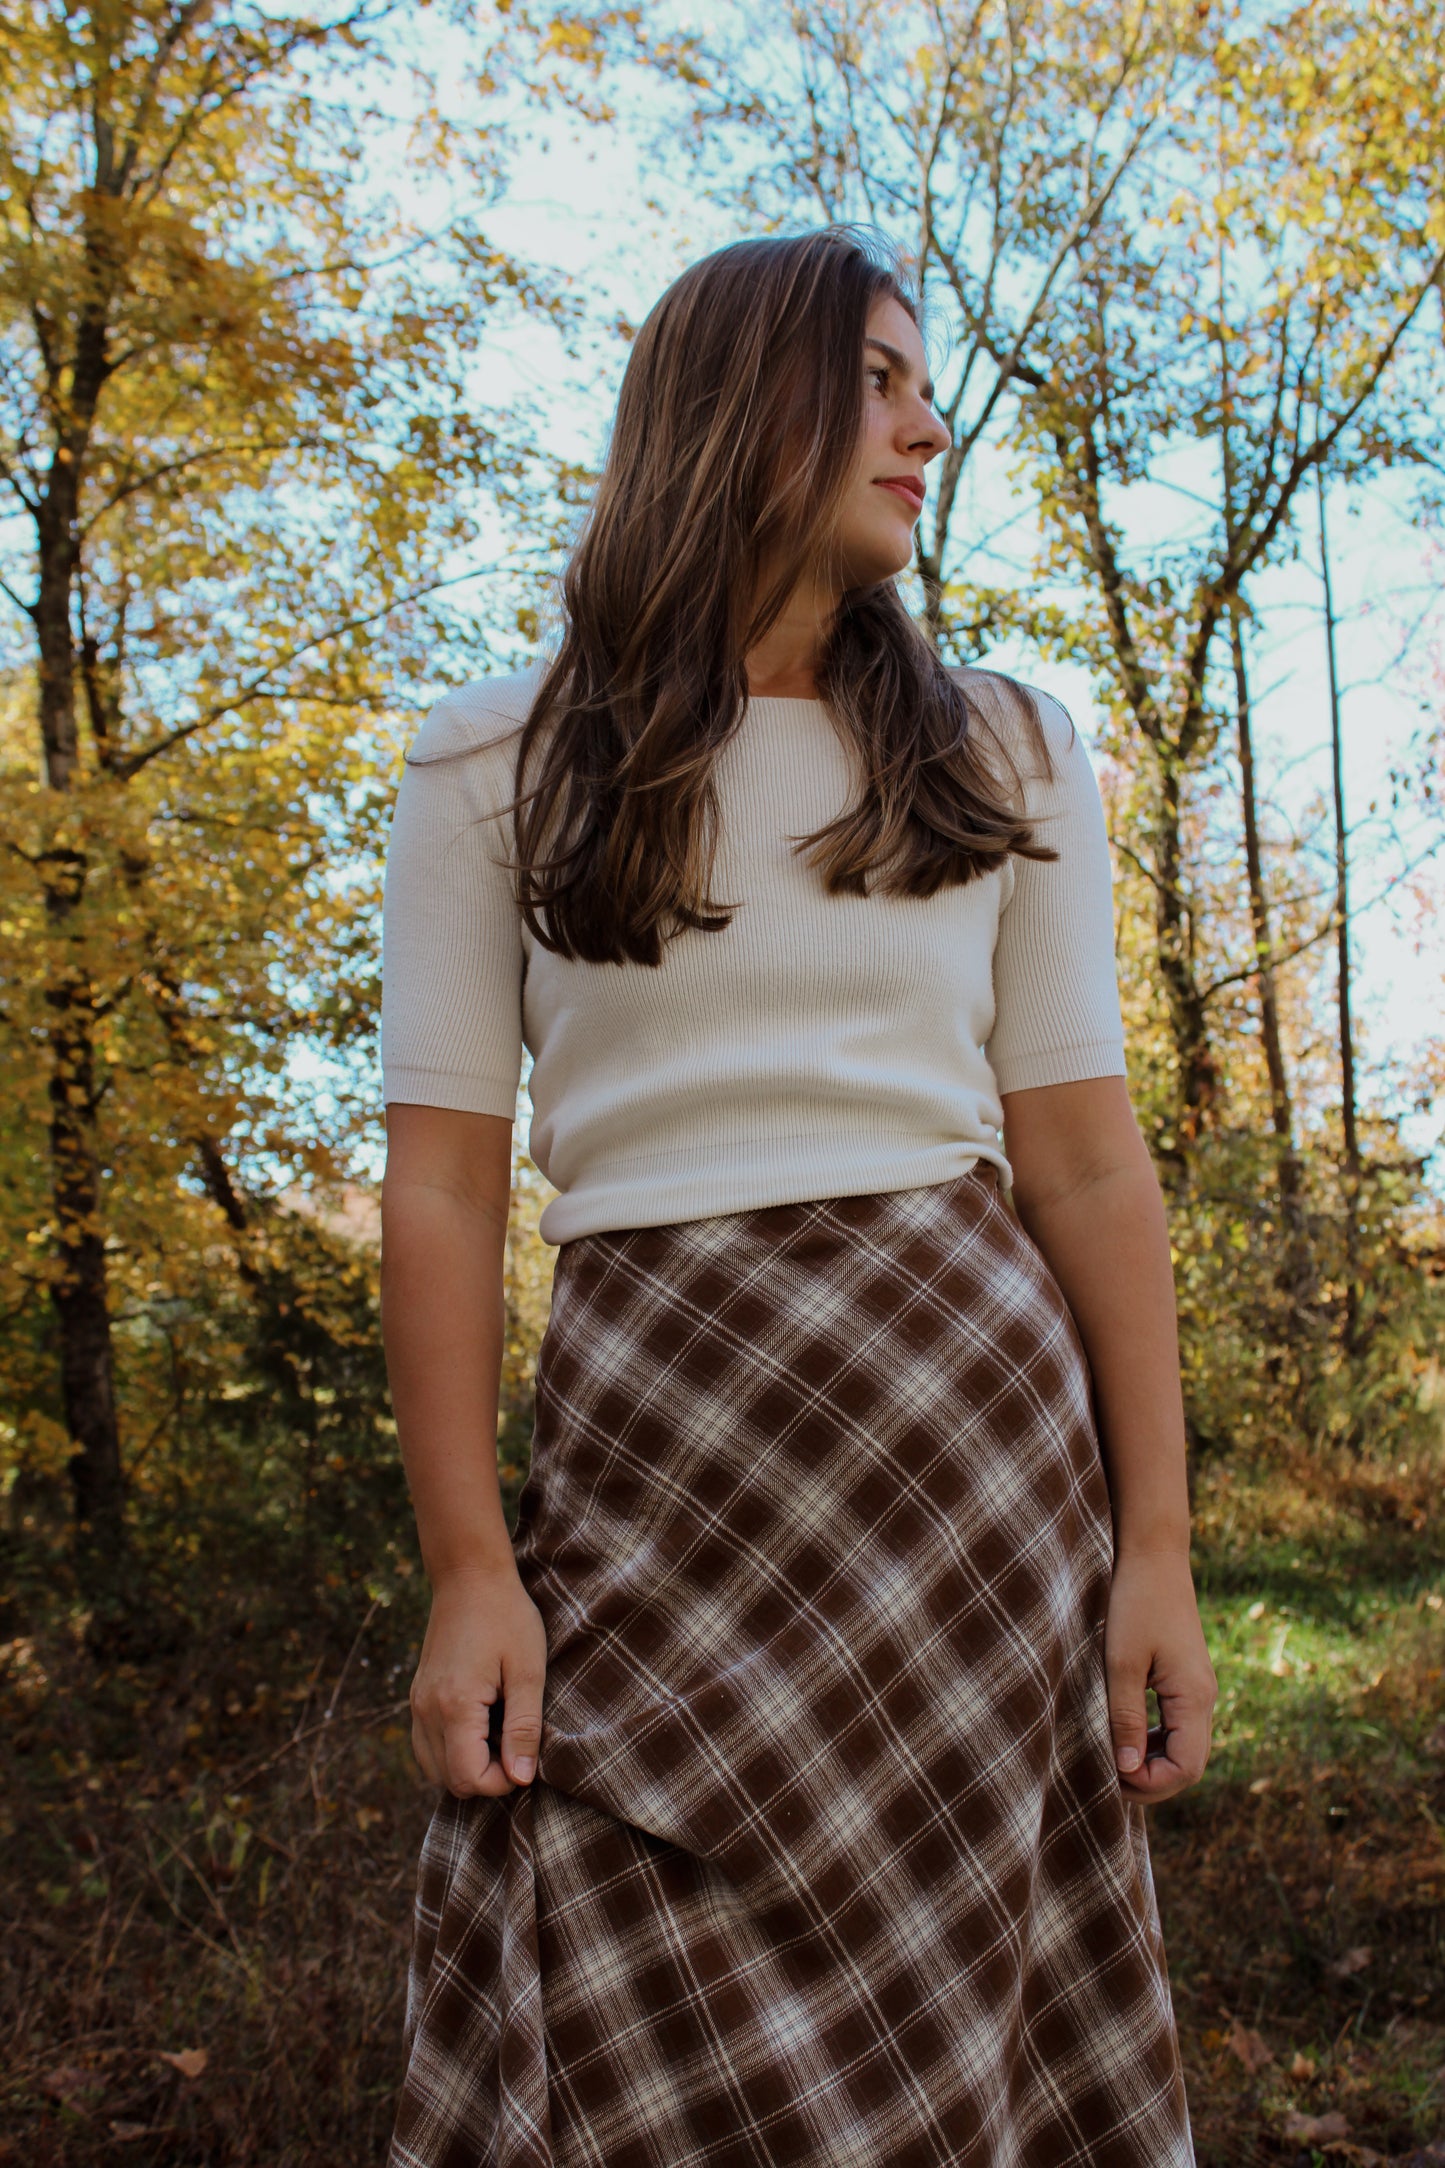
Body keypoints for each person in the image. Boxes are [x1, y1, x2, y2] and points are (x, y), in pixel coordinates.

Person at [378, 225, 1216, 2168]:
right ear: (733, 394)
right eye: (880, 379)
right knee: (616, 2001)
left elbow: (1088, 1160)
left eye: (926, 387)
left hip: (974, 1498)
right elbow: (437, 1198)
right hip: (659, 1476)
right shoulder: (493, 759)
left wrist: (1155, 1544)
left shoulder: (1007, 746)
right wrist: (469, 1566)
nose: (930, 427)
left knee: (953, 2057)